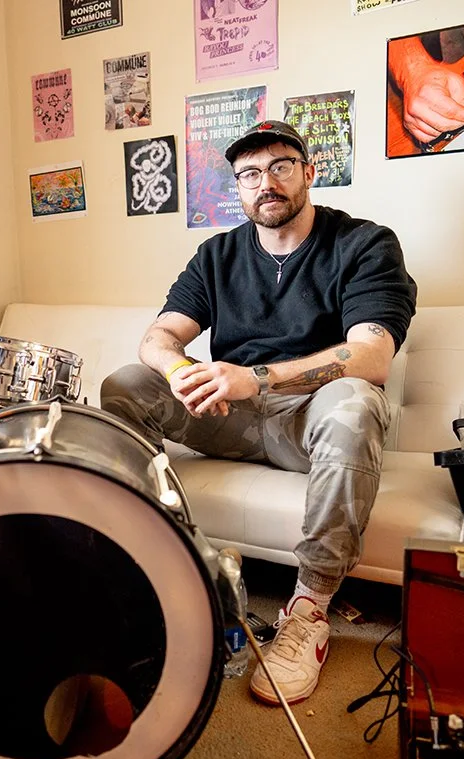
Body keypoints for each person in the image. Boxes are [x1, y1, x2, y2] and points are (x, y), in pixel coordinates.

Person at [100, 120, 417, 705]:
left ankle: (309, 608)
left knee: (355, 403)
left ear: (309, 172)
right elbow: (158, 337)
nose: (265, 182)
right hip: (232, 416)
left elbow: (372, 356)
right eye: (249, 174)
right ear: (239, 188)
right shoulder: (217, 254)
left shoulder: (364, 244)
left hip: (311, 421)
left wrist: (258, 377)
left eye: (280, 166)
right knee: (127, 383)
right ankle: (151, 560)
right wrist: (180, 370)